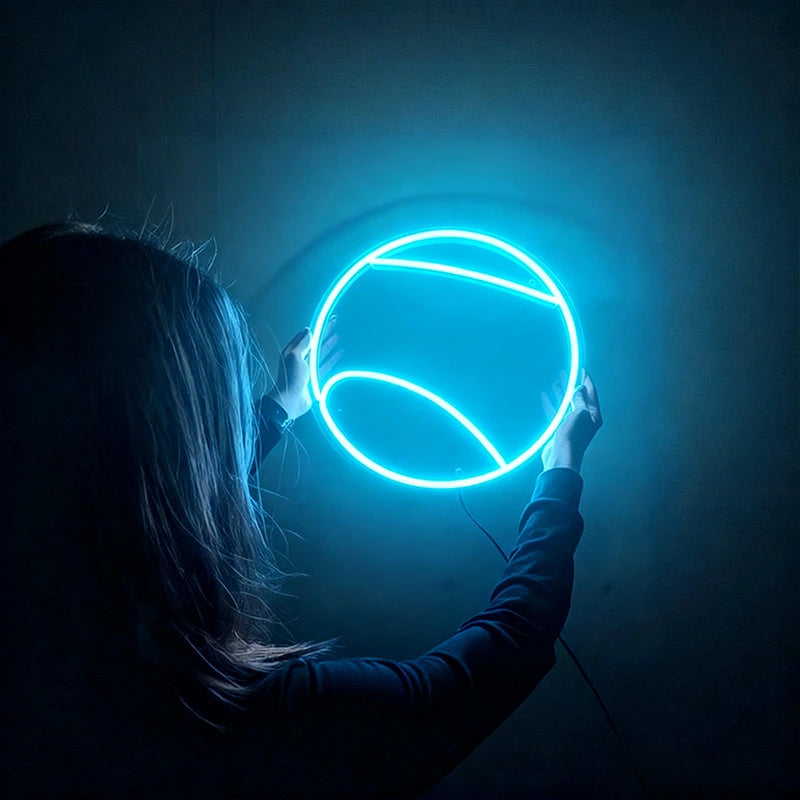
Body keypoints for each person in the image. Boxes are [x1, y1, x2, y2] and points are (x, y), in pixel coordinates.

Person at [0, 221, 602, 799]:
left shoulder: (41, 677)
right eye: (215, 407)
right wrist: (560, 470)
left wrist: (276, 413)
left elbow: (130, 493)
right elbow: (496, 661)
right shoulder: (242, 724)